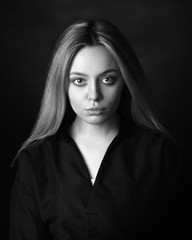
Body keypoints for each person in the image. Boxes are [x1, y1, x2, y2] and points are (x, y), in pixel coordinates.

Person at [9, 19, 181, 240]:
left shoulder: (159, 154)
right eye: (79, 80)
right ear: (62, 84)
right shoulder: (35, 161)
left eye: (108, 79)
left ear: (126, 82)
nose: (94, 95)